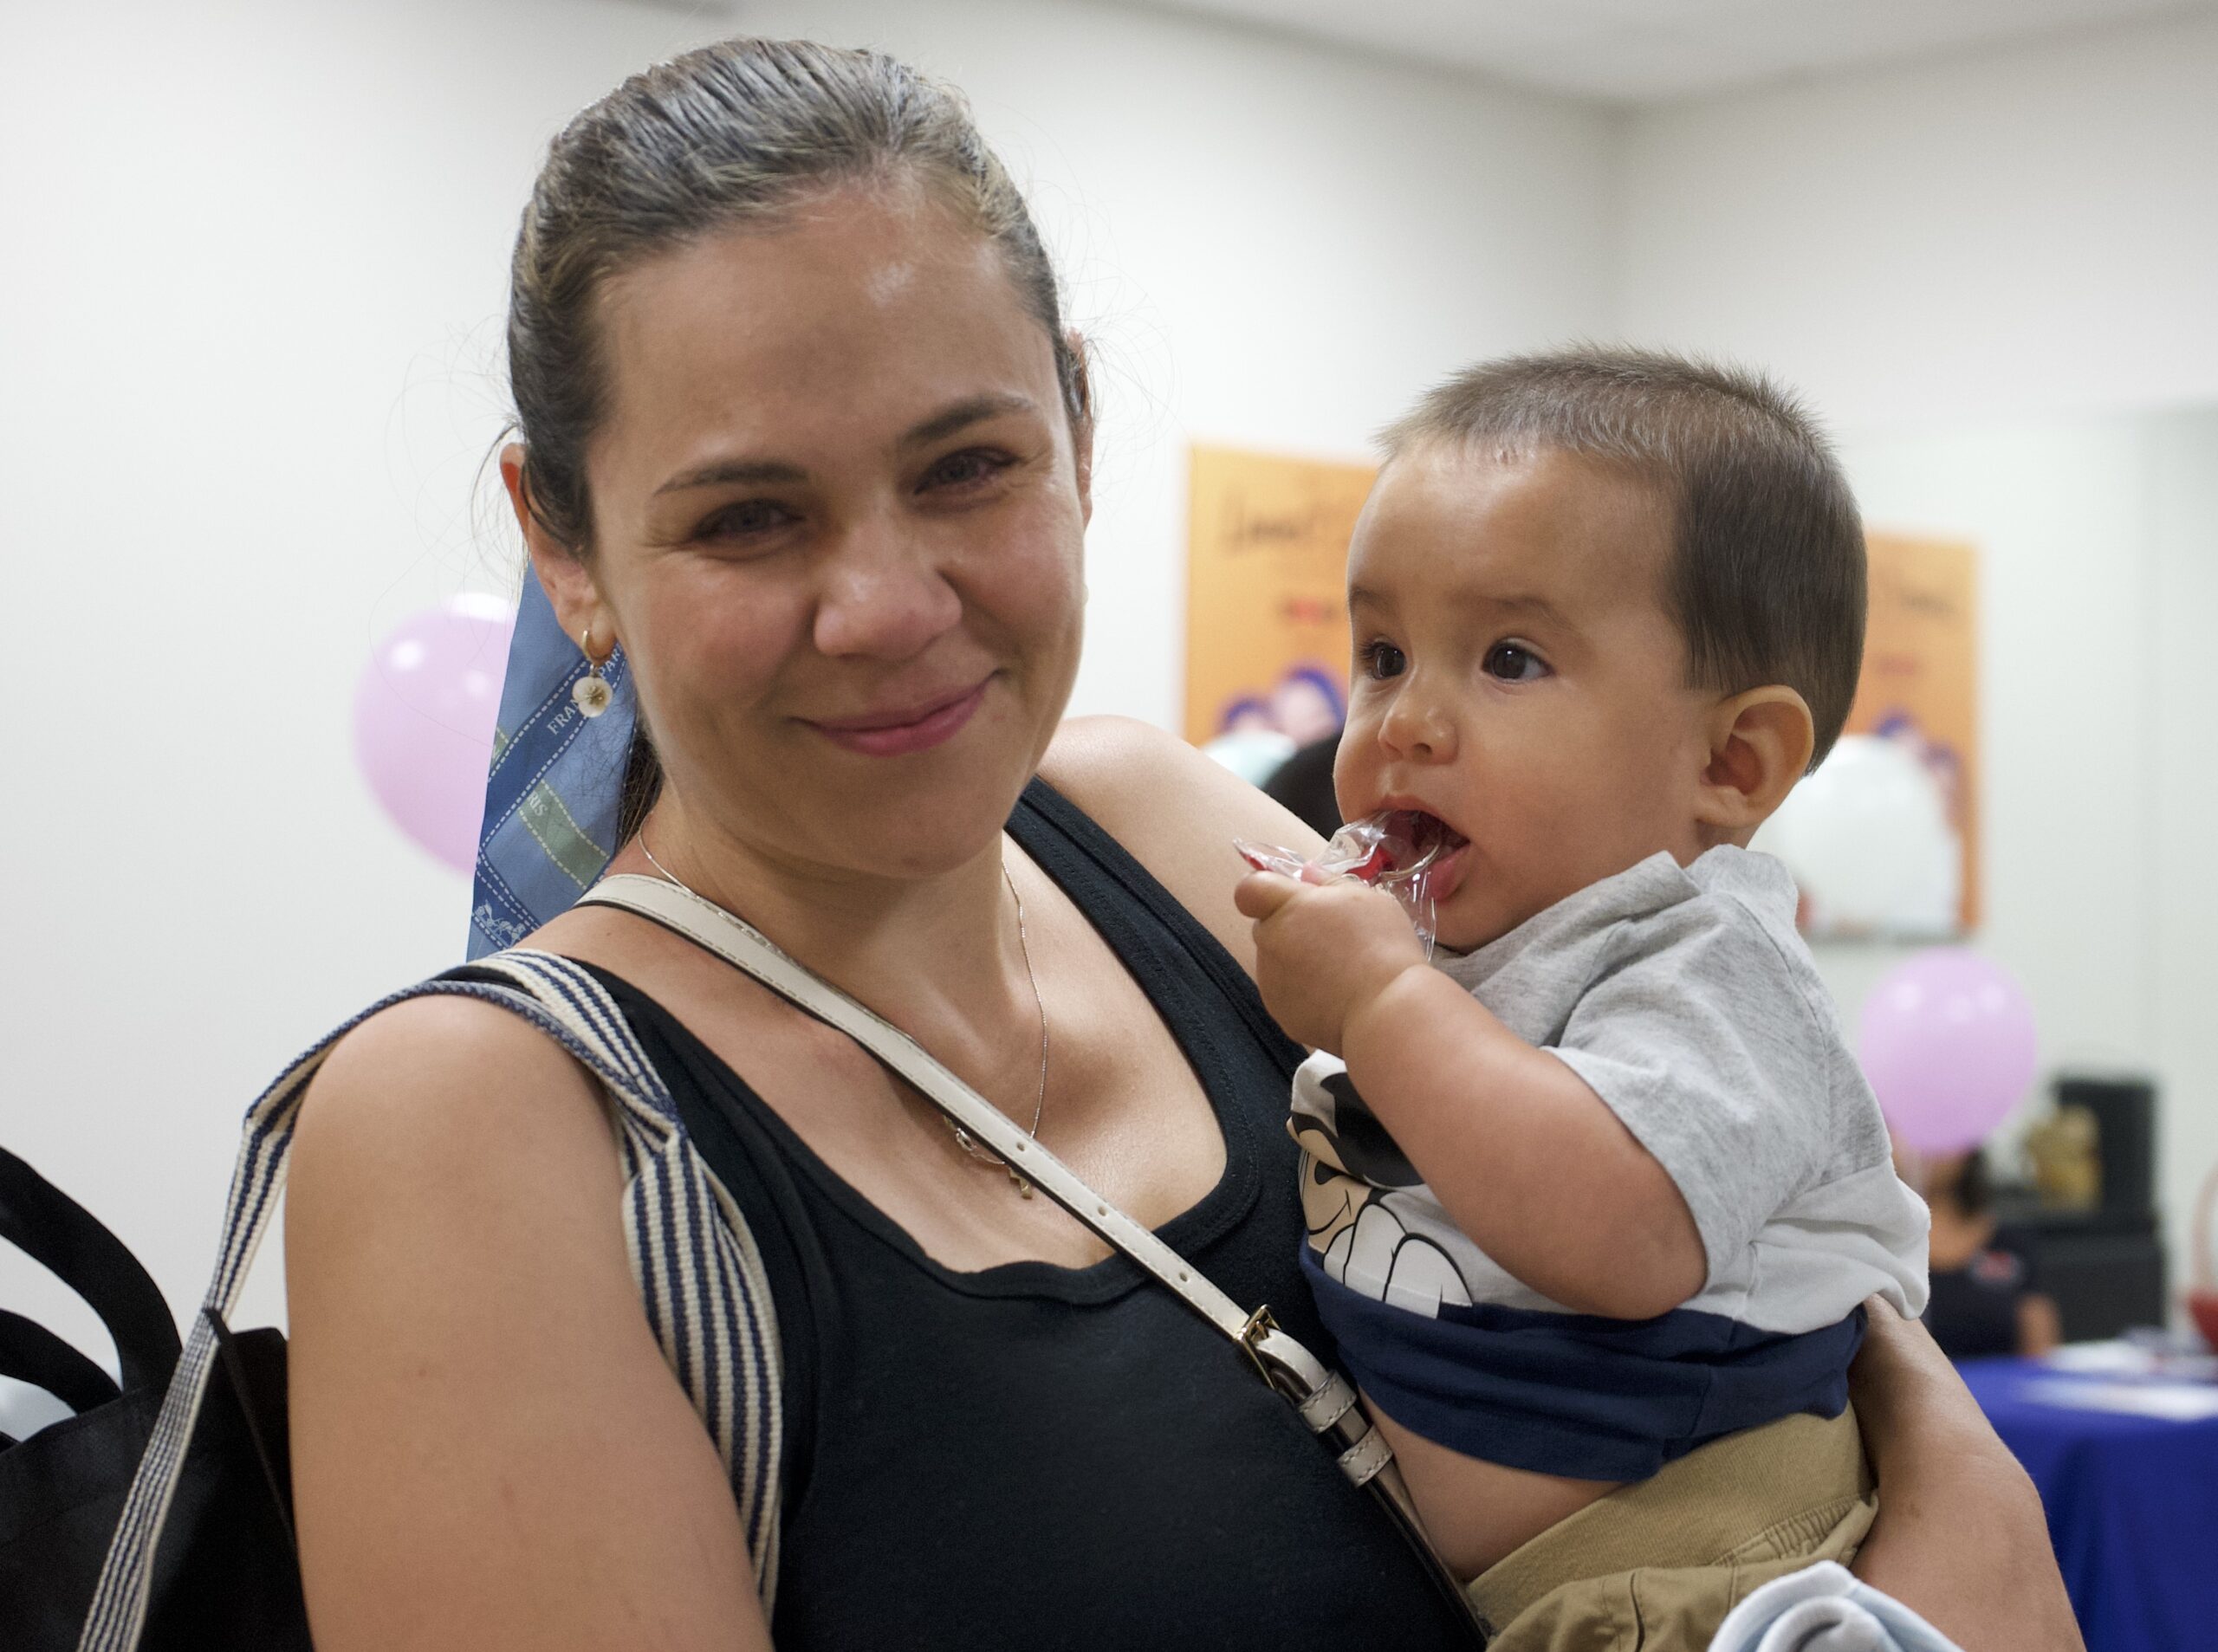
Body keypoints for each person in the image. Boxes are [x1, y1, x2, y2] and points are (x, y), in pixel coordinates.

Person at [281, 38, 2077, 1652]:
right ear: (565, 540)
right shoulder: (485, 1124)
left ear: (1071, 420)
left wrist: (1947, 1526)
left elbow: (1811, 1318)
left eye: (967, 467)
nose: (888, 603)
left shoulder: (1164, 829)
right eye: (750, 517)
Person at [1232, 353, 1929, 1639]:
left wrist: (1381, 1005)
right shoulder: (1451, 939)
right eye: (1382, 653)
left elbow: (1621, 1230)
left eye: (1508, 657)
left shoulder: (1705, 962)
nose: (1408, 722)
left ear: (1730, 757)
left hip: (1705, 1572)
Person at [1914, 1148, 2062, 1360]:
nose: (1925, 1154)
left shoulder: (2010, 1242)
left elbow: (2039, 1347)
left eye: (1938, 1142)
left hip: (2005, 1389)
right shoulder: (1886, 1246)